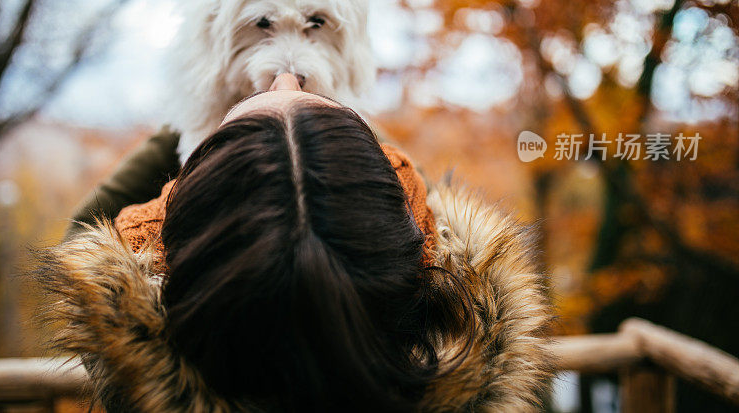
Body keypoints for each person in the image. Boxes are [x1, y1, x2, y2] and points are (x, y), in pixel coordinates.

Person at [37, 74, 552, 412]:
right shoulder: (449, 362)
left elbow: (88, 244)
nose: (286, 72)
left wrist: (188, 121)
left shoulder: (143, 378)